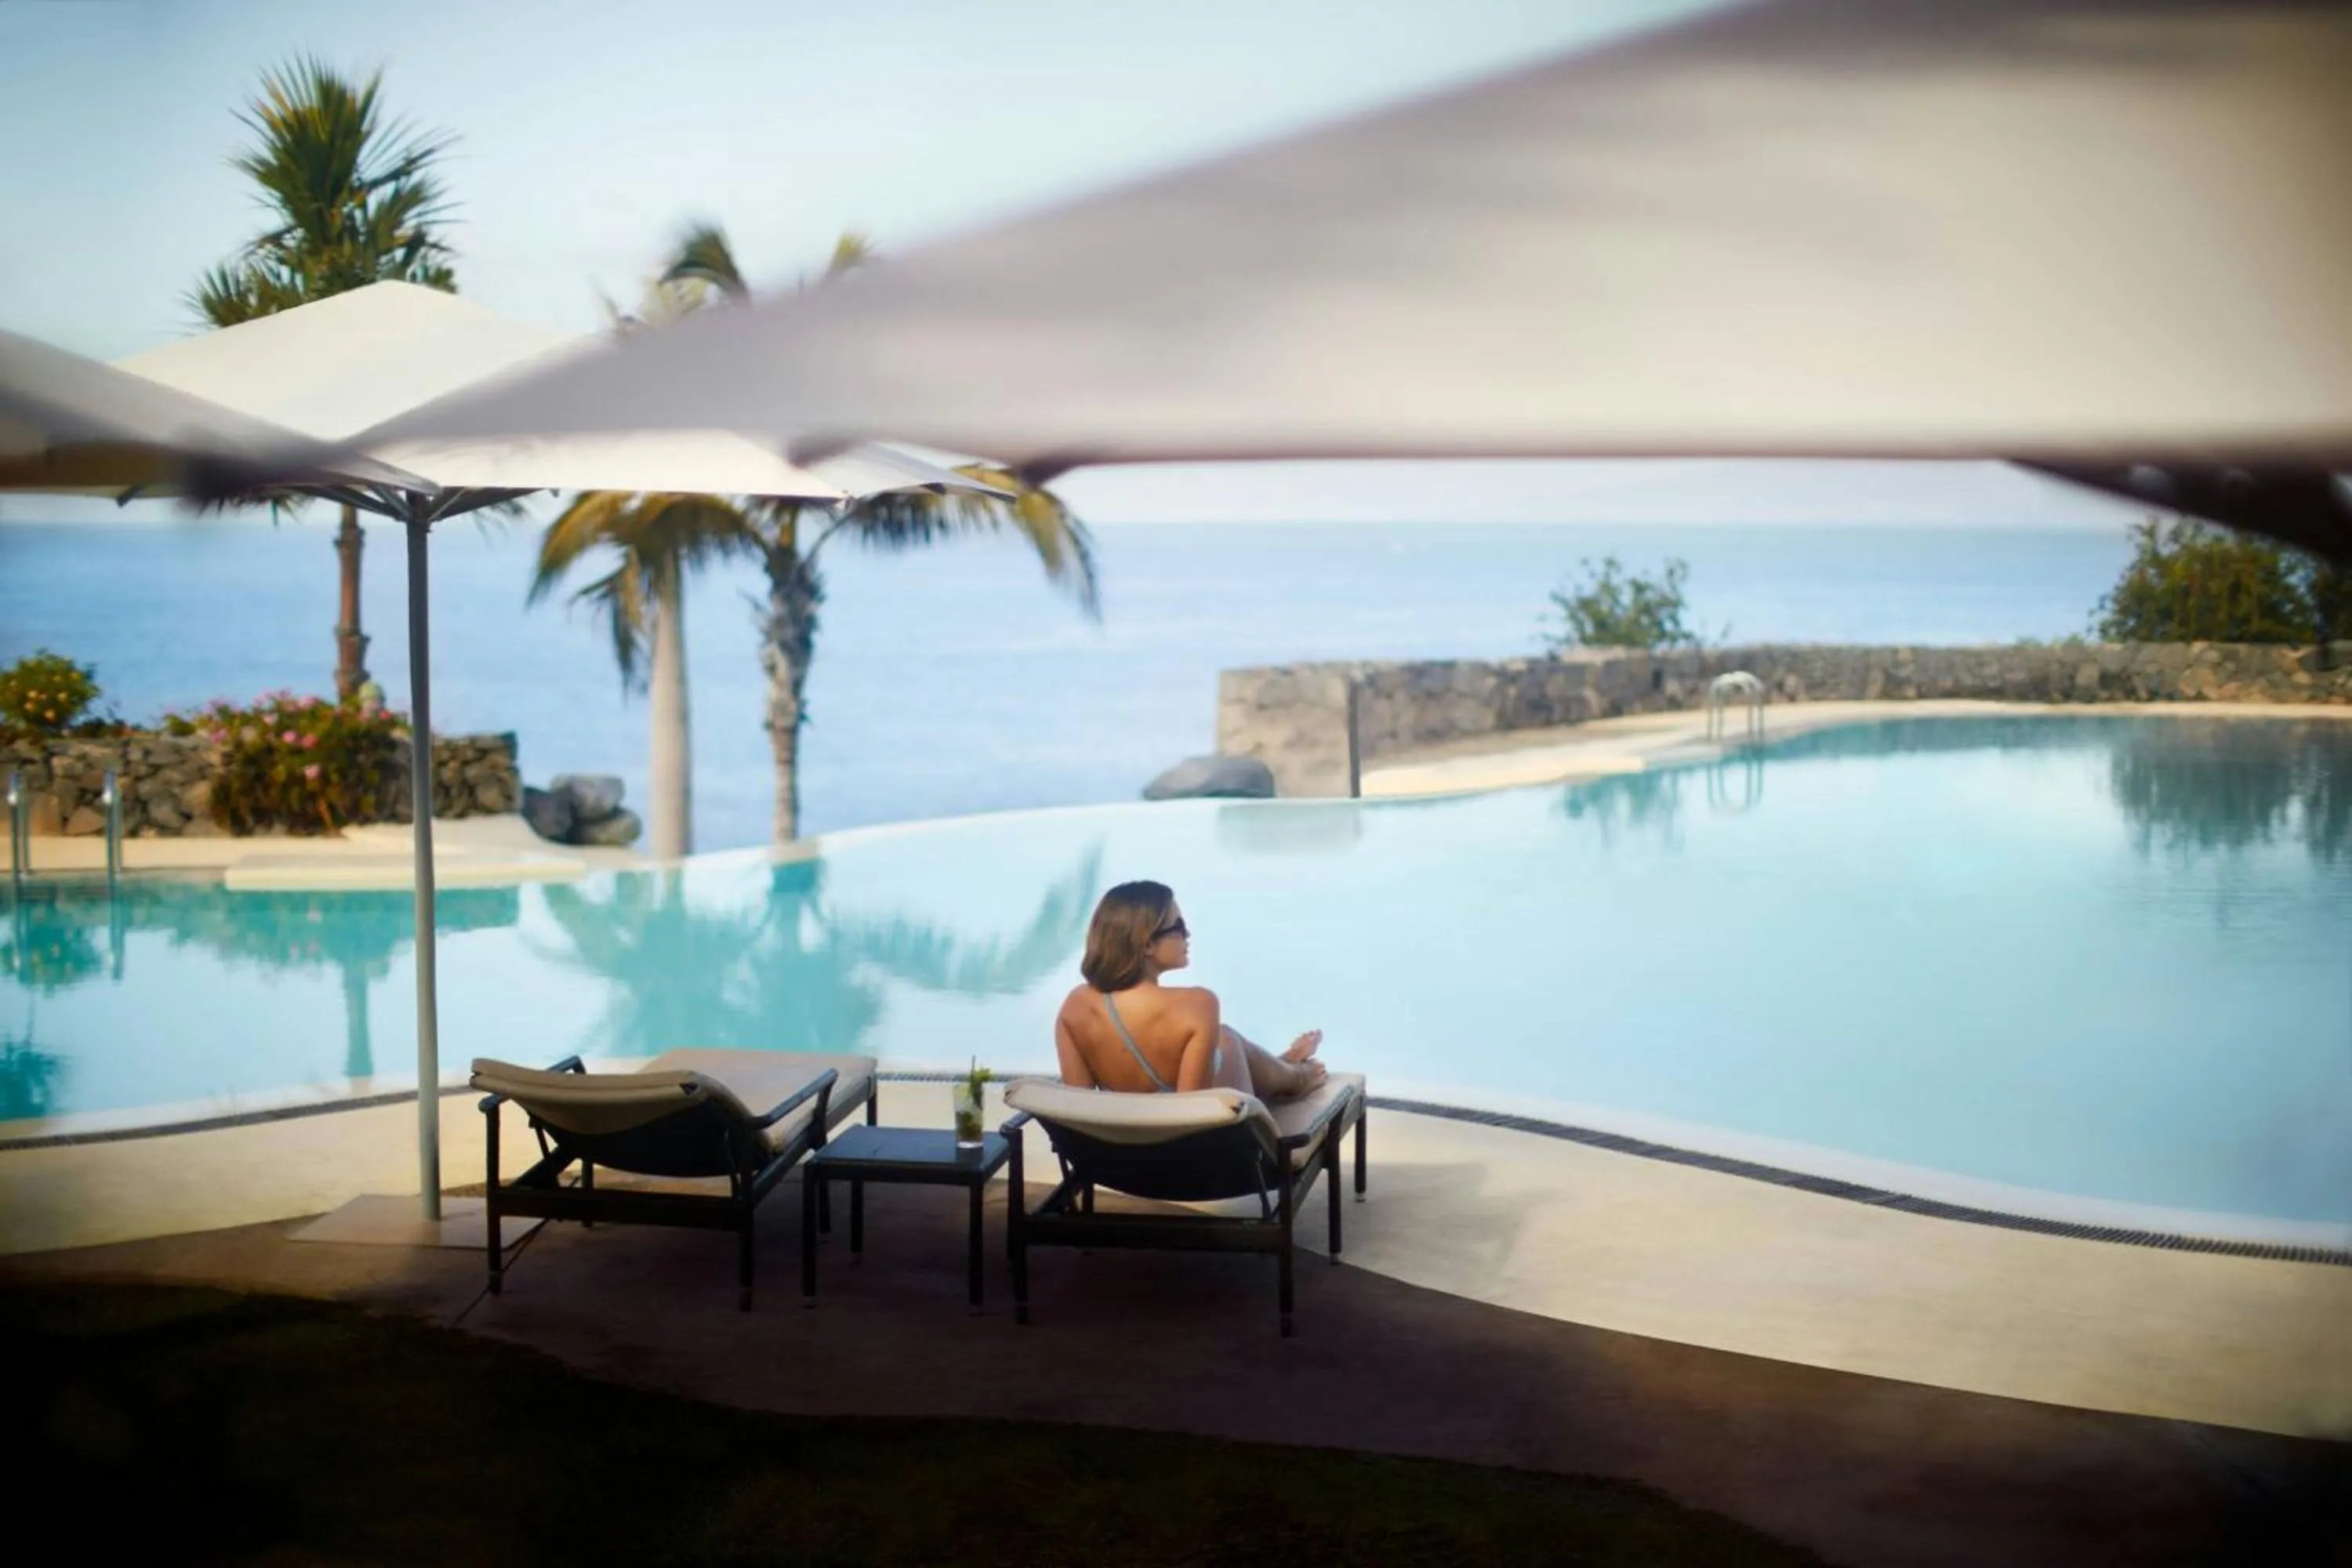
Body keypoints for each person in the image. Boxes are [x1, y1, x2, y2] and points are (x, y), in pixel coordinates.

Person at [1054, 880, 1328, 1099]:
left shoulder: (1075, 1007)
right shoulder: (1197, 1005)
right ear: (1147, 944)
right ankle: (1296, 1077)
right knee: (1228, 1040)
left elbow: (1080, 1106)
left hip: (1113, 1156)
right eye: (1179, 926)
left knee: (1226, 1038)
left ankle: (1285, 1064)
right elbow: (1192, 1118)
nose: (1188, 935)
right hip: (1198, 1158)